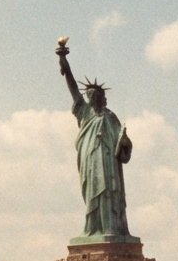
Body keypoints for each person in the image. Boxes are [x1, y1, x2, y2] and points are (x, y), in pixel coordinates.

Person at [57, 38, 133, 240]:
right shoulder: (84, 112)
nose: (92, 99)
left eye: (95, 96)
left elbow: (124, 147)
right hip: (90, 161)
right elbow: (73, 88)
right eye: (89, 96)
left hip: (109, 163)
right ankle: (93, 228)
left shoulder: (110, 117)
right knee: (93, 194)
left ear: (102, 98)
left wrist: (124, 141)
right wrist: (65, 63)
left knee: (110, 193)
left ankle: (112, 228)